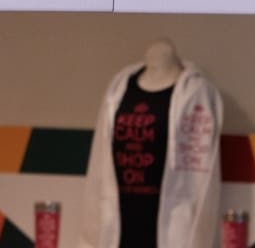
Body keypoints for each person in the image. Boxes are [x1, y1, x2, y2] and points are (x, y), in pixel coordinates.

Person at [79, 39, 223, 248]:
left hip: (171, 228)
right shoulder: (118, 90)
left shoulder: (196, 94)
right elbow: (99, 167)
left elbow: (202, 182)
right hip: (120, 225)